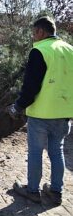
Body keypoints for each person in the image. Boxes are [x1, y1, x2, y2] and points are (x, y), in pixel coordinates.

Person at [8, 16, 73, 205]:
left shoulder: (39, 50)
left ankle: (32, 191)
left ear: (41, 32)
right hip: (64, 113)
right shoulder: (70, 50)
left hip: (42, 113)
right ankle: (55, 192)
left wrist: (18, 106)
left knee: (35, 152)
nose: (32, 37)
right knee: (57, 151)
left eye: (33, 33)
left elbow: (31, 86)